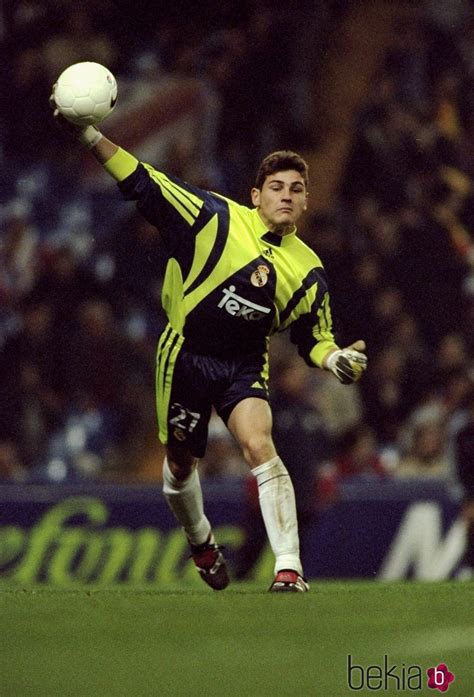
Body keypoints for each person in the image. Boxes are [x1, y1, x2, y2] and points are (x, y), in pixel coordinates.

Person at [50, 97, 368, 592]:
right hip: (184, 357)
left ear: (306, 202)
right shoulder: (213, 217)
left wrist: (336, 358)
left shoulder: (309, 273)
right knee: (179, 467)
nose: (286, 195)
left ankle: (289, 569)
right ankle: (201, 542)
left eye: (297, 189)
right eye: (277, 187)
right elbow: (142, 180)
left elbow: (314, 338)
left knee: (260, 445)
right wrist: (88, 134)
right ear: (256, 194)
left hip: (243, 364)